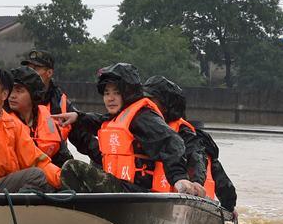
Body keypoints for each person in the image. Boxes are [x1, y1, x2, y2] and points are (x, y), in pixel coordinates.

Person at [52, 63, 204, 197]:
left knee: (73, 167)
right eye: (106, 93)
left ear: (128, 92)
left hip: (138, 194)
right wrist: (77, 117)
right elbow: (99, 121)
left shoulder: (143, 117)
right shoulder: (118, 116)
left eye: (116, 93)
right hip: (121, 189)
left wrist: (179, 178)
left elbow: (172, 141)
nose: (110, 98)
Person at [143, 75, 238, 213]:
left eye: (151, 100)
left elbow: (207, 166)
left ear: (166, 106)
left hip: (186, 205)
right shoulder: (141, 128)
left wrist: (229, 206)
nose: (146, 104)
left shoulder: (190, 137)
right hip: (147, 199)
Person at [20, 49, 101, 165]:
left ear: (49, 73)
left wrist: (107, 159)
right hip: (22, 164)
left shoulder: (61, 103)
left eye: (35, 69)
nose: (29, 73)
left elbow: (83, 138)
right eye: (28, 68)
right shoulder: (13, 98)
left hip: (54, 162)